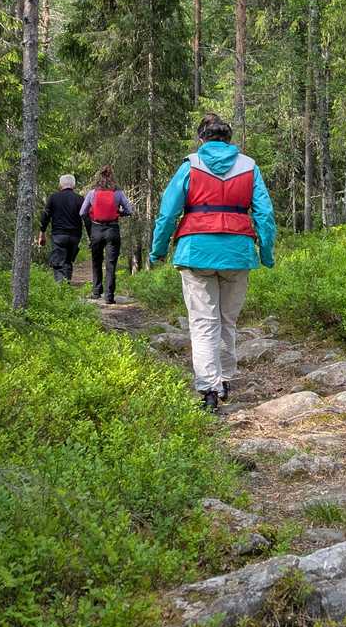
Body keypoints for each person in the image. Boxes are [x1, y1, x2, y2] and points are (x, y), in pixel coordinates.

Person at [151, 113, 276, 413]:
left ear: (201, 138)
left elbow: (168, 214)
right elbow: (265, 215)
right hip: (237, 252)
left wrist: (157, 251)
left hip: (196, 251)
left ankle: (209, 388)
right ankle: (225, 379)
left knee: (203, 321)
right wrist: (266, 253)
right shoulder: (249, 167)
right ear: (229, 140)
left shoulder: (190, 165)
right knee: (226, 320)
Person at [80, 166, 133, 303]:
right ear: (112, 178)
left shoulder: (92, 193)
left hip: (96, 230)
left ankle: (96, 292)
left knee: (96, 261)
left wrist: (91, 222)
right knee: (111, 264)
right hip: (113, 229)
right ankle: (109, 296)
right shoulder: (118, 193)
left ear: (99, 178)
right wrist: (120, 213)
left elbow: (82, 212)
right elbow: (129, 209)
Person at [37, 174, 85, 284]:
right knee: (68, 262)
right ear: (74, 185)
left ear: (60, 185)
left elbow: (45, 216)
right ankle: (66, 286)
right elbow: (86, 218)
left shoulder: (53, 197)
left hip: (59, 235)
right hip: (75, 236)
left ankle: (60, 289)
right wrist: (91, 235)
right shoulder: (79, 199)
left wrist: (42, 233)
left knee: (58, 263)